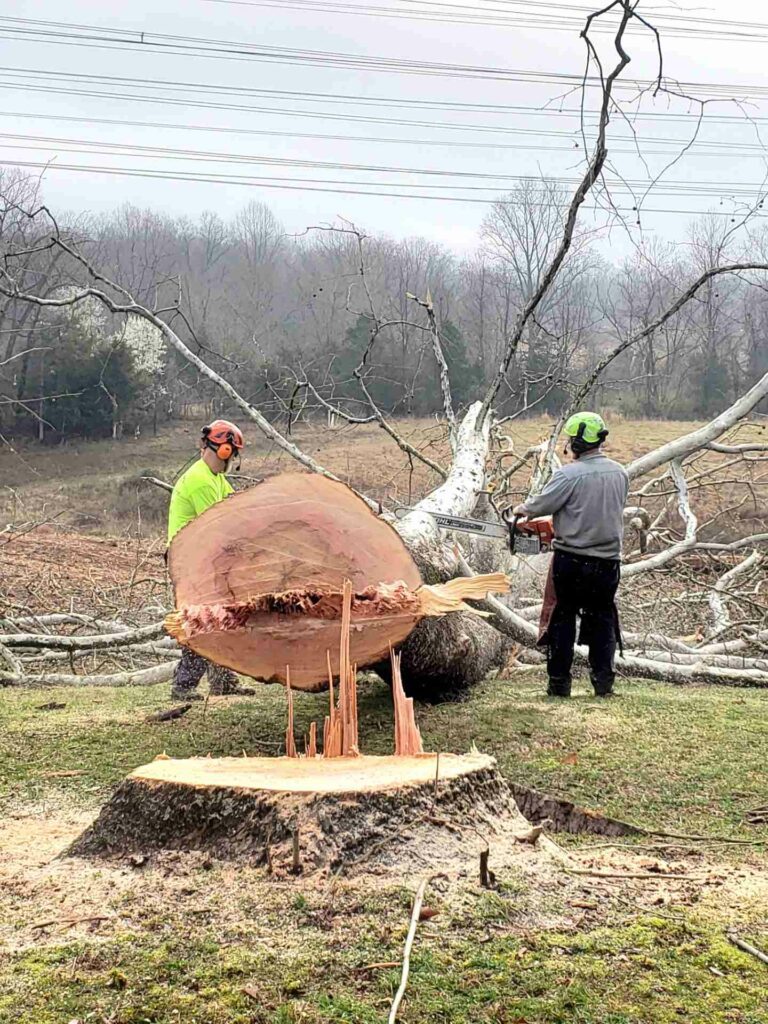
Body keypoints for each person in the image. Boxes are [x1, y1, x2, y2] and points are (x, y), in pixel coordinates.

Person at [513, 411, 629, 698]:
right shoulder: (620, 473)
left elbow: (541, 505)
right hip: (608, 562)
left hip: (571, 561)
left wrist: (520, 510)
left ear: (576, 442)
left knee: (562, 618)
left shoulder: (568, 474)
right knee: (603, 619)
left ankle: (559, 684)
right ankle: (603, 684)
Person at [167, 419, 254, 702]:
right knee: (202, 620)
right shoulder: (199, 481)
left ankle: (223, 681)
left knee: (224, 617)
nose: (232, 458)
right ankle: (184, 685)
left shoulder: (215, 479)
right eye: (230, 451)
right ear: (224, 449)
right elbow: (217, 526)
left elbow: (235, 509)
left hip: (206, 557)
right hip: (190, 559)